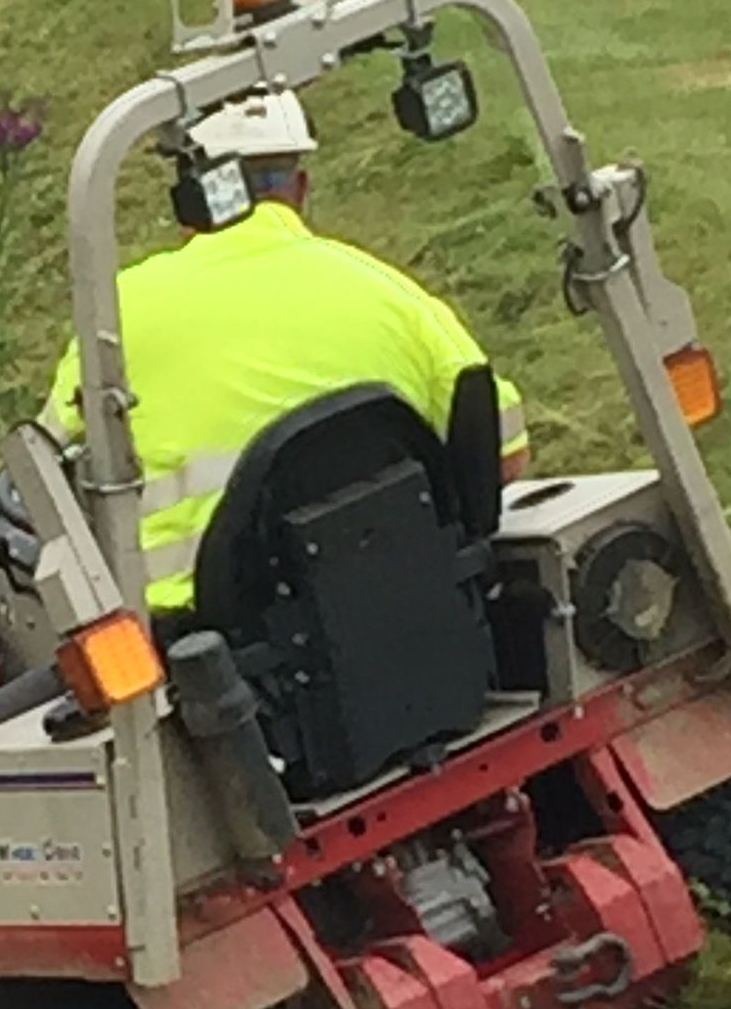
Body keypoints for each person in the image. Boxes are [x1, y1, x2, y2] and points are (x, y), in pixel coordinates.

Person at [43, 89, 529, 616]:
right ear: (300, 187)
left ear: (188, 202)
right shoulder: (390, 294)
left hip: (207, 665)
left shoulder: (121, 313)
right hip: (409, 628)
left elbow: (42, 486)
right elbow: (505, 453)